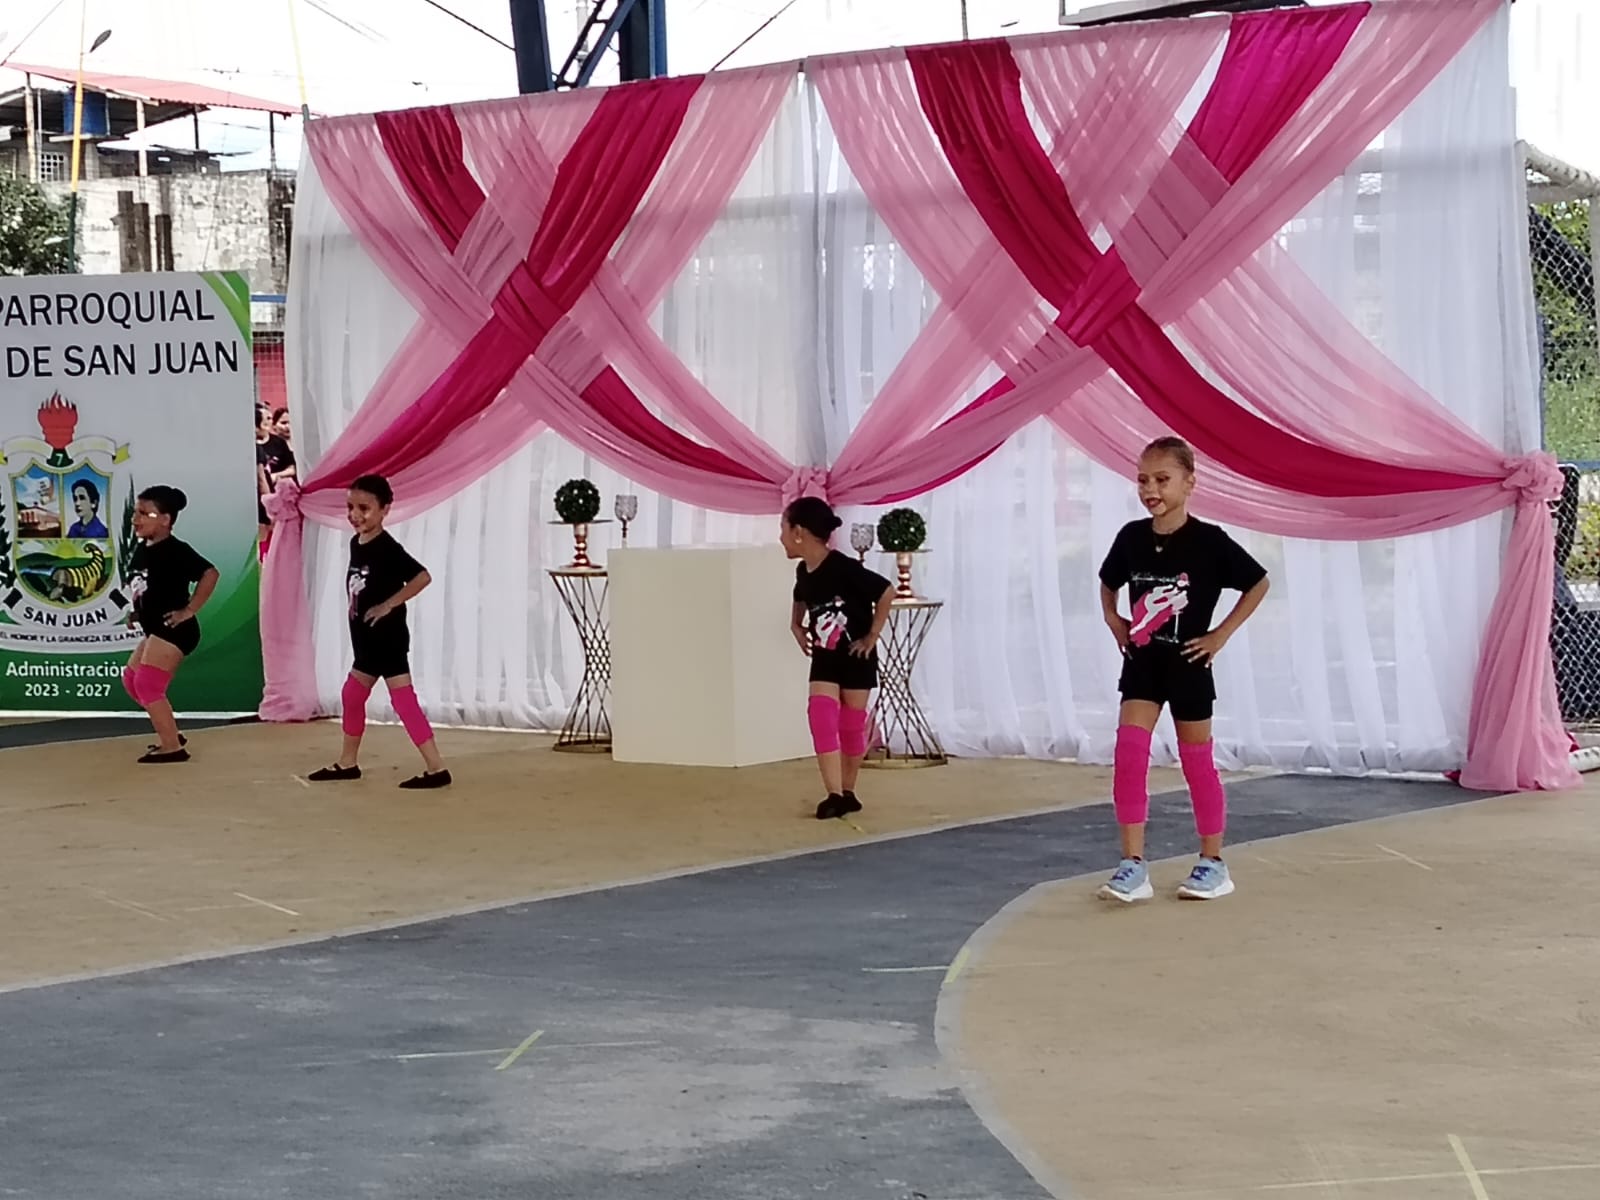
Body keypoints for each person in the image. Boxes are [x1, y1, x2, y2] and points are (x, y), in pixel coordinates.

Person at [1096, 436, 1270, 902]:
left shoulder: (1210, 542)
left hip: (1189, 666)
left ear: (1189, 483)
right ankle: (1133, 865)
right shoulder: (1131, 538)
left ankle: (1212, 863)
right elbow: (1108, 582)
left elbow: (1258, 583)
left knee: (1197, 763)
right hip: (1142, 666)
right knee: (1130, 754)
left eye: (1162, 479)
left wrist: (1219, 635)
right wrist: (1113, 619)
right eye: (1142, 480)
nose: (1150, 489)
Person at [307, 474, 451, 789]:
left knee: (402, 701)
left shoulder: (387, 548)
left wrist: (389, 604)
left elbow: (422, 577)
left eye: (364, 508)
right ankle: (348, 762)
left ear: (385, 509)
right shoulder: (356, 543)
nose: (355, 515)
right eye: (350, 507)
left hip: (386, 639)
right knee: (353, 695)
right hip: (366, 641)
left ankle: (436, 768)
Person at [784, 496, 895, 820]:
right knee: (821, 715)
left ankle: (848, 791)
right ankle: (833, 793)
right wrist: (795, 624)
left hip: (855, 657)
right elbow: (800, 596)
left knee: (850, 725)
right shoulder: (803, 571)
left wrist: (872, 636)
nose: (780, 537)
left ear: (798, 532)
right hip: (825, 657)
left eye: (783, 528)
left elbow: (886, 591)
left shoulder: (843, 567)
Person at [122, 486, 219, 764]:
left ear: (165, 519)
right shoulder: (142, 549)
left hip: (174, 629)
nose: (136, 519)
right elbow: (147, 587)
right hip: (155, 627)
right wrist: (137, 612)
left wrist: (189, 610)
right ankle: (170, 733)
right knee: (131, 680)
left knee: (147, 685)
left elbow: (210, 573)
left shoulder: (176, 550)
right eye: (135, 512)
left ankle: (172, 747)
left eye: (145, 513)